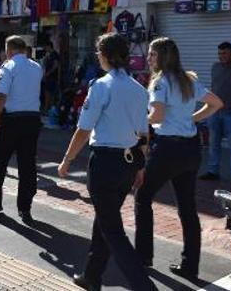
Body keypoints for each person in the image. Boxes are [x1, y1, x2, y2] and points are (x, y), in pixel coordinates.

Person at [57, 33, 158, 291]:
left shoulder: (101, 86)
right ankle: (92, 276)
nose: (97, 58)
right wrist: (141, 165)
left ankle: (144, 286)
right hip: (128, 162)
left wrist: (67, 160)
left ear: (105, 55)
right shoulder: (138, 89)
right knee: (105, 219)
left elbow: (83, 129)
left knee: (112, 229)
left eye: (98, 53)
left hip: (105, 163)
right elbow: (143, 132)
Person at [135, 37, 223, 281]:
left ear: (161, 57)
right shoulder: (188, 80)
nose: (149, 58)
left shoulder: (160, 82)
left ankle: (143, 256)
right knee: (187, 207)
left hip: (167, 149)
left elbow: (157, 114)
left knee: (142, 196)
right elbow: (216, 103)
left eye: (152, 54)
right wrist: (191, 119)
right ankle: (190, 265)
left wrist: (137, 119)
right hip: (190, 149)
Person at [0, 36, 43, 224]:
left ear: (9, 50)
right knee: (27, 166)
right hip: (31, 120)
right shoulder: (36, 67)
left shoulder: (8, 66)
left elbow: (0, 95)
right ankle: (25, 208)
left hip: (11, 121)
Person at [199, 41, 231, 183]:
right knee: (213, 142)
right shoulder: (215, 67)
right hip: (214, 111)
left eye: (224, 53)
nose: (221, 56)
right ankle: (212, 171)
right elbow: (213, 88)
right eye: (219, 53)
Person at [41, 41, 60, 112]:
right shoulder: (48, 55)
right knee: (47, 93)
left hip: (52, 77)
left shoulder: (54, 54)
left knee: (50, 94)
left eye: (46, 47)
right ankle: (47, 109)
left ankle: (48, 109)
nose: (45, 49)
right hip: (48, 77)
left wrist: (48, 73)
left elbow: (56, 65)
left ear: (49, 46)